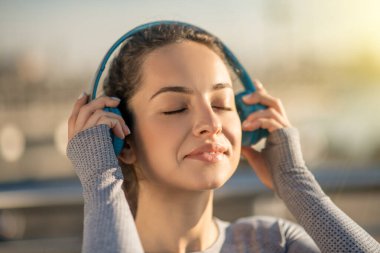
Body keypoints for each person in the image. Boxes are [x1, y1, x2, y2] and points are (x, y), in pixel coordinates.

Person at [66, 23, 380, 253]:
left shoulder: (275, 243)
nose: (211, 123)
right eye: (176, 108)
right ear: (123, 140)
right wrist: (100, 178)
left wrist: (295, 182)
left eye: (221, 104)